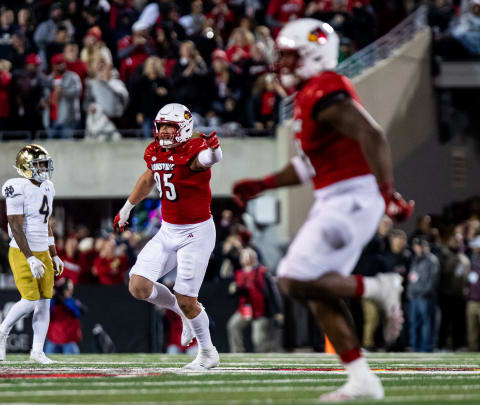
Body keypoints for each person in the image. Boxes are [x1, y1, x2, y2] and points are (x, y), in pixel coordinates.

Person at [231, 19, 414, 401]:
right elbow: (309, 164)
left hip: (353, 196)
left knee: (292, 279)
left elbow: (372, 134)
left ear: (313, 55)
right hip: (336, 196)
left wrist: (387, 193)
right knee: (314, 289)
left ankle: (380, 287)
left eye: (288, 56)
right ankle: (362, 378)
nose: (280, 65)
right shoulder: (307, 96)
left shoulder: (325, 87)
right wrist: (263, 184)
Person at [113, 103, 223, 370]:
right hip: (168, 229)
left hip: (196, 232)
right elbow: (150, 178)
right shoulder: (154, 151)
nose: (163, 132)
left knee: (188, 300)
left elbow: (205, 161)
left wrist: (215, 151)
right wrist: (127, 207)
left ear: (184, 129)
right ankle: (182, 313)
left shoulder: (193, 149)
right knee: (138, 286)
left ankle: (208, 353)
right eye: (161, 126)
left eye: (169, 127)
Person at [0, 144, 63, 365]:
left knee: (44, 302)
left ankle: (37, 351)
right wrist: (30, 257)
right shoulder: (17, 187)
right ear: (26, 167)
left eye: (44, 164)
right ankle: (2, 330)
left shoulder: (48, 187)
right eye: (38, 164)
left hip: (43, 250)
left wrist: (54, 254)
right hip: (23, 251)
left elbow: (47, 224)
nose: (43, 168)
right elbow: (14, 224)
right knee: (30, 300)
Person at [407, 238, 440, 353]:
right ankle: (414, 347)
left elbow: (433, 280)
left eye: (420, 246)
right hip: (414, 297)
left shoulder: (431, 260)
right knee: (414, 323)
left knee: (427, 323)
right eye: (416, 246)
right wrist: (410, 293)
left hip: (426, 297)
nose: (418, 248)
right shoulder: (415, 259)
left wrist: (425, 292)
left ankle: (426, 348)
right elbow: (411, 277)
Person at [45, 278, 84, 354]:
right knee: (47, 363)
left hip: (69, 340)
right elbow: (46, 313)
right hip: (53, 339)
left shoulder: (71, 301)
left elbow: (78, 312)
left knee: (72, 364)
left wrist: (64, 298)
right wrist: (54, 296)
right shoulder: (52, 302)